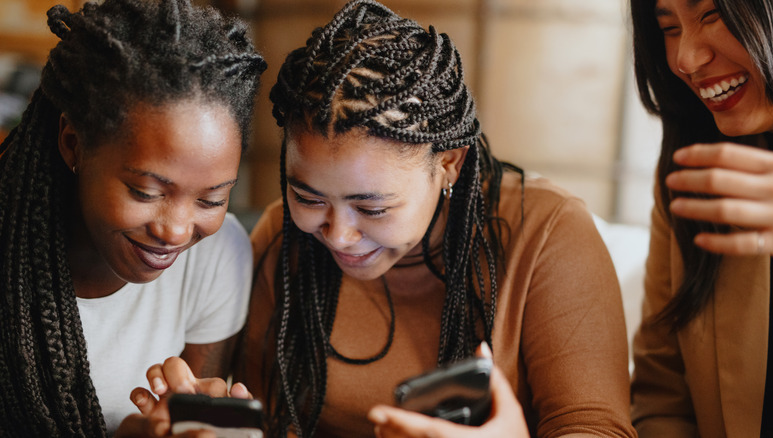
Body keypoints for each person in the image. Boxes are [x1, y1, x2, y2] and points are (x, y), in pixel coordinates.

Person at [135, 0, 636, 436]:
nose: (338, 234)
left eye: (372, 208)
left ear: (448, 165)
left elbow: (594, 425)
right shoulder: (279, 242)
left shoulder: (545, 234)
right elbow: (267, 420)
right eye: (307, 198)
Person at [0, 0, 266, 435]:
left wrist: (199, 423)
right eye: (146, 191)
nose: (176, 230)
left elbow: (189, 417)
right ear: (73, 143)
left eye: (212, 199)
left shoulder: (218, 256)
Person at [629, 0, 773, 436]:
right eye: (669, 28)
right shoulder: (693, 175)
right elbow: (661, 398)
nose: (686, 59)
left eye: (712, 16)